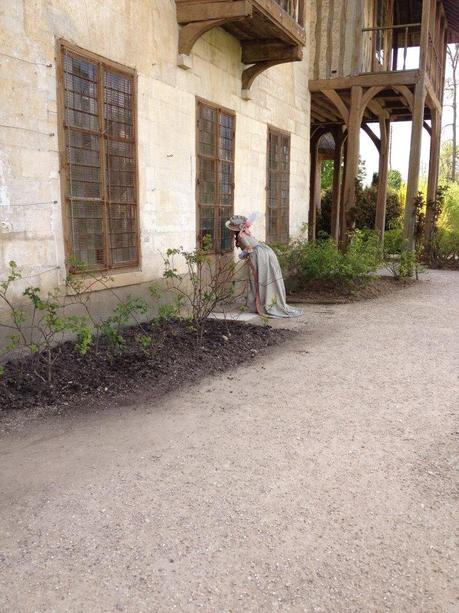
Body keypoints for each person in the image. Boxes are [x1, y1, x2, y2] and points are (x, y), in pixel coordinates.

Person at [225, 215, 302, 318]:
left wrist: (241, 255)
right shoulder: (245, 232)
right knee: (266, 279)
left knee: (258, 279)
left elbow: (249, 249)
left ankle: (262, 304)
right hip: (265, 252)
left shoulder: (241, 235)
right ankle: (267, 301)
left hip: (259, 256)